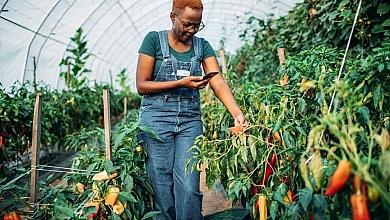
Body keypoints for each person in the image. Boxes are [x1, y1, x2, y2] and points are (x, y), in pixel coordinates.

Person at [136, 0, 248, 219]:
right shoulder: (153, 41)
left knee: (189, 184)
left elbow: (217, 81)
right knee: (161, 183)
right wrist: (180, 83)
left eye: (197, 25)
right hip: (156, 120)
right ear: (173, 17)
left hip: (189, 121)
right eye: (187, 24)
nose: (192, 30)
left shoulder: (202, 46)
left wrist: (236, 113)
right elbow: (142, 85)